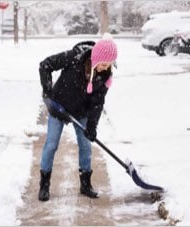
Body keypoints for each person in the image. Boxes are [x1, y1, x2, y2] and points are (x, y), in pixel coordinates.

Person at [38, 33, 117, 201]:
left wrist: (92, 127)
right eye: (104, 63)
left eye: (110, 64)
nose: (106, 67)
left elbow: (97, 103)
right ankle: (44, 184)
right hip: (59, 108)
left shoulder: (105, 76)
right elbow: (45, 65)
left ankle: (86, 184)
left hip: (81, 112)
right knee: (51, 145)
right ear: (96, 58)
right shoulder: (74, 58)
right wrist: (48, 91)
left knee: (86, 146)